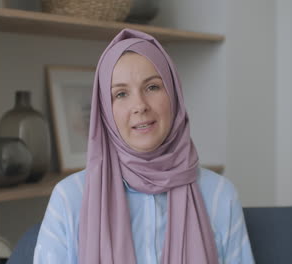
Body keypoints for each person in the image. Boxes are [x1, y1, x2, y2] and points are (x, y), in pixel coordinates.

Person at [34, 28, 254, 264]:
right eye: (120, 94)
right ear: (105, 111)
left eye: (152, 87)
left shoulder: (220, 195)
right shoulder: (69, 199)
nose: (139, 105)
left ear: (174, 95)